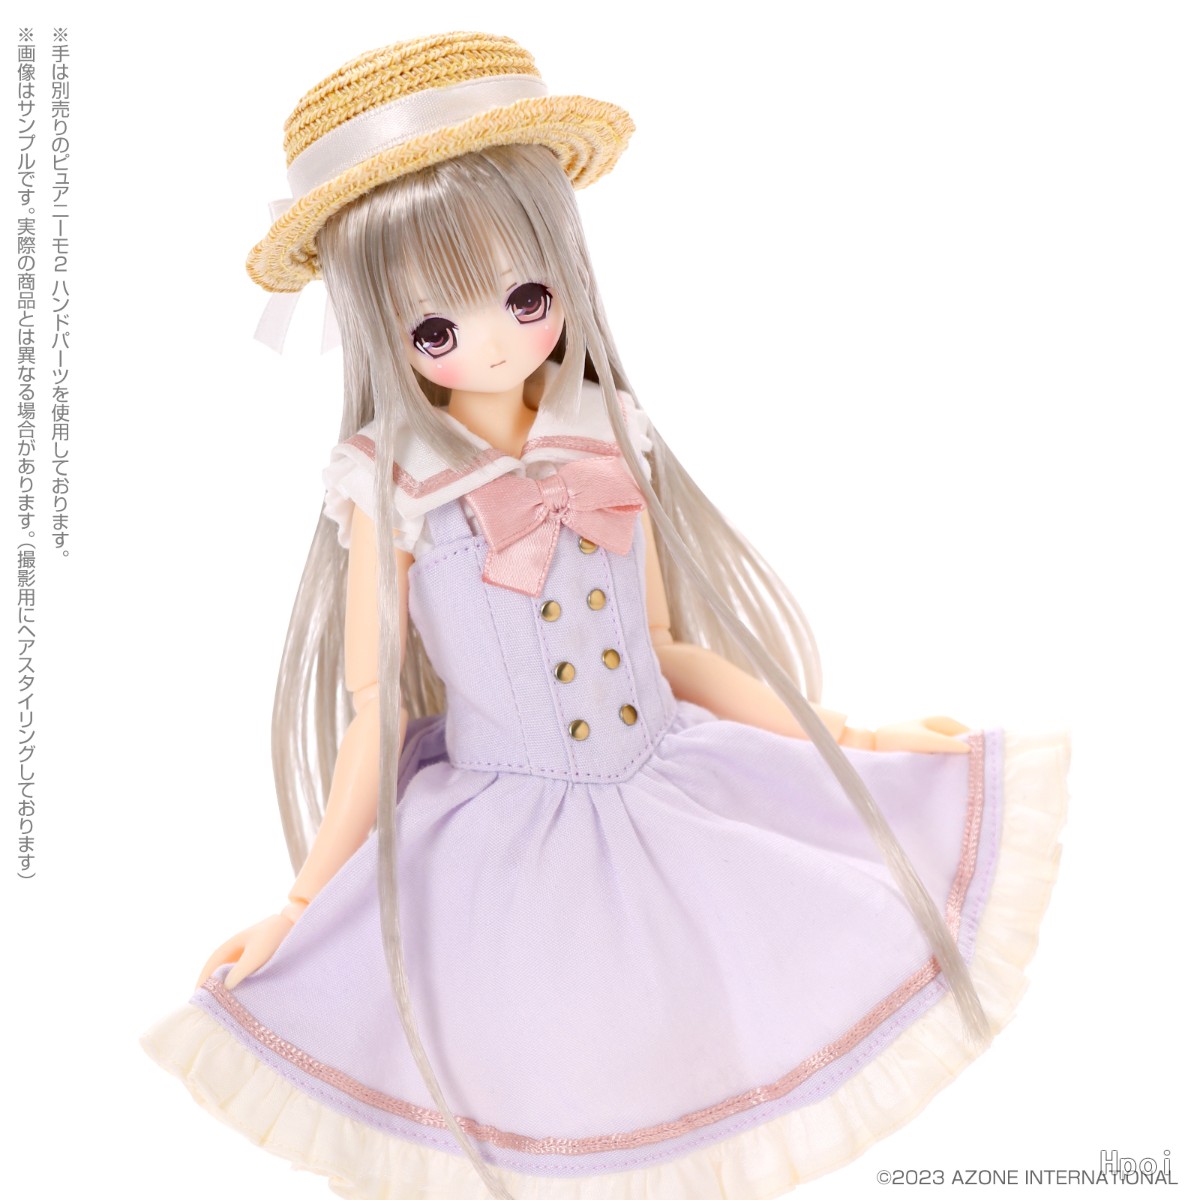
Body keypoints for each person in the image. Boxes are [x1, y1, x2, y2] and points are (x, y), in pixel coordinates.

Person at [141, 31, 1070, 1200]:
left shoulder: (606, 429)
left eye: (525, 296)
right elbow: (376, 708)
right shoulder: (390, 484)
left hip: (674, 786)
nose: (493, 339)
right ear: (383, 329)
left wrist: (855, 737)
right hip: (502, 849)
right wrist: (300, 902)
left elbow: (668, 649)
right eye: (437, 328)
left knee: (744, 1010)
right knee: (556, 1075)